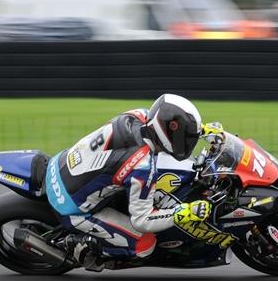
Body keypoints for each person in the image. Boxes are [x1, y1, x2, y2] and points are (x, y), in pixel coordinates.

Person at [45, 94, 217, 271]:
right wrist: (183, 213)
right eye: (184, 136)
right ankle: (79, 246)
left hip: (64, 165)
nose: (186, 142)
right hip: (74, 206)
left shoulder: (139, 115)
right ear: (168, 130)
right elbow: (142, 221)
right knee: (145, 245)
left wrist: (201, 130)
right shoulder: (142, 166)